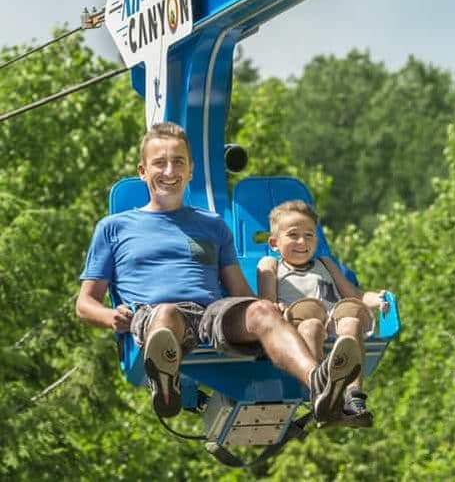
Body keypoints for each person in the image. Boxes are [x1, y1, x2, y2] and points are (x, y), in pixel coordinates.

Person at [75, 122, 361, 424]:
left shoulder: (211, 225)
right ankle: (165, 378)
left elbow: (238, 290)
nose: (170, 171)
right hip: (154, 314)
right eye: (160, 163)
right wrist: (111, 318)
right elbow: (85, 303)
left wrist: (271, 314)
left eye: (178, 162)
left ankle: (318, 383)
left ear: (191, 170)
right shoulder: (115, 228)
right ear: (143, 171)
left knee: (261, 310)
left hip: (210, 312)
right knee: (167, 315)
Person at [257, 200, 388, 428]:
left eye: (309, 235)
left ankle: (353, 394)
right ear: (274, 243)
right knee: (311, 325)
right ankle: (322, 392)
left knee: (351, 320)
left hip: (332, 323)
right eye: (293, 235)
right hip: (300, 324)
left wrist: (377, 299)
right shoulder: (271, 264)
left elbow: (355, 295)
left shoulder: (325, 263)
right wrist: (277, 308)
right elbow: (267, 302)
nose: (302, 242)